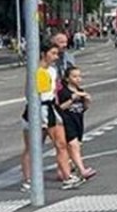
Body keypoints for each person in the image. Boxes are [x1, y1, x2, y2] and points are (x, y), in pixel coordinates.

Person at [19, 44, 79, 190]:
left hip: (51, 109)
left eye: (57, 54)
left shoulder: (52, 71)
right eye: (53, 53)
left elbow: (53, 92)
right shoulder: (34, 70)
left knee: (61, 143)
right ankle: (27, 180)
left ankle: (67, 176)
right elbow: (30, 92)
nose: (56, 57)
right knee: (32, 147)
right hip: (36, 109)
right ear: (43, 54)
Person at [56, 65, 98, 183]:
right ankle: (82, 170)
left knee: (75, 146)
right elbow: (60, 108)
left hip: (78, 121)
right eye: (74, 76)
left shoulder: (81, 91)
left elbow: (83, 108)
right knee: (73, 145)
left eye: (79, 76)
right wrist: (72, 99)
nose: (78, 79)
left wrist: (87, 101)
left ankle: (62, 171)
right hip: (66, 122)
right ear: (67, 78)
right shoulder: (64, 92)